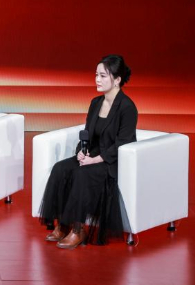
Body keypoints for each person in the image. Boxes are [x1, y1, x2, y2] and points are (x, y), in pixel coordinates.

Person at [37, 55, 137, 249]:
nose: (97, 80)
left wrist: (97, 159)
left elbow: (123, 143)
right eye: (96, 75)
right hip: (93, 154)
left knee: (82, 174)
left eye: (103, 76)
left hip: (112, 162)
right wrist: (81, 153)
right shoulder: (95, 102)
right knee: (60, 168)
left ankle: (78, 229)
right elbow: (87, 134)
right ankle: (63, 225)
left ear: (117, 80)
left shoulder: (127, 107)